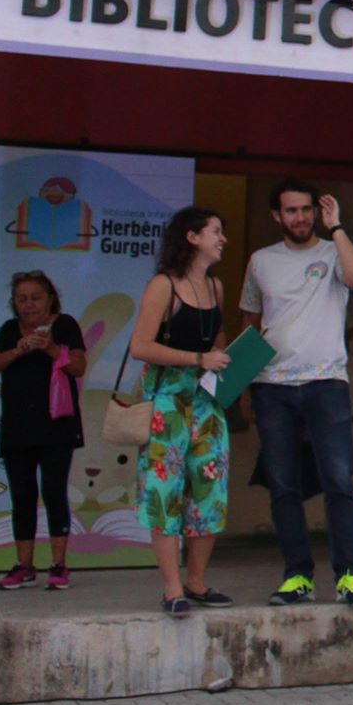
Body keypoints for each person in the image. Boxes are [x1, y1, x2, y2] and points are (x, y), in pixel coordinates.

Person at [240, 177, 353, 609]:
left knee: (338, 480)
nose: (299, 218)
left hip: (326, 383)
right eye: (291, 211)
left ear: (316, 212)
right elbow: (250, 323)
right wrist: (243, 385)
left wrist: (337, 229)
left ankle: (349, 576)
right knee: (283, 485)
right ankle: (297, 575)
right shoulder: (261, 260)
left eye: (306, 210)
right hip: (271, 386)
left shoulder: (333, 250)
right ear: (276, 216)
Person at [130, 205, 236, 618]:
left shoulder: (216, 286)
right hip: (168, 401)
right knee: (164, 492)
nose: (222, 238)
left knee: (210, 492)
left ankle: (197, 581)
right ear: (191, 237)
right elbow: (140, 346)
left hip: (207, 403)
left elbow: (218, 337)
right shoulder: (164, 285)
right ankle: (171, 588)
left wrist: (226, 357)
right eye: (215, 231)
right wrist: (197, 358)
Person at [0, 270, 88, 590]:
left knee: (54, 492)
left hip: (56, 424)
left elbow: (78, 367)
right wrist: (20, 348)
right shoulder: (8, 329)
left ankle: (59, 564)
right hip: (18, 425)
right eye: (21, 299)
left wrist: (51, 348)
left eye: (35, 297)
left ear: (50, 298)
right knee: (22, 495)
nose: (28, 305)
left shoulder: (65, 324)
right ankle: (23, 564)